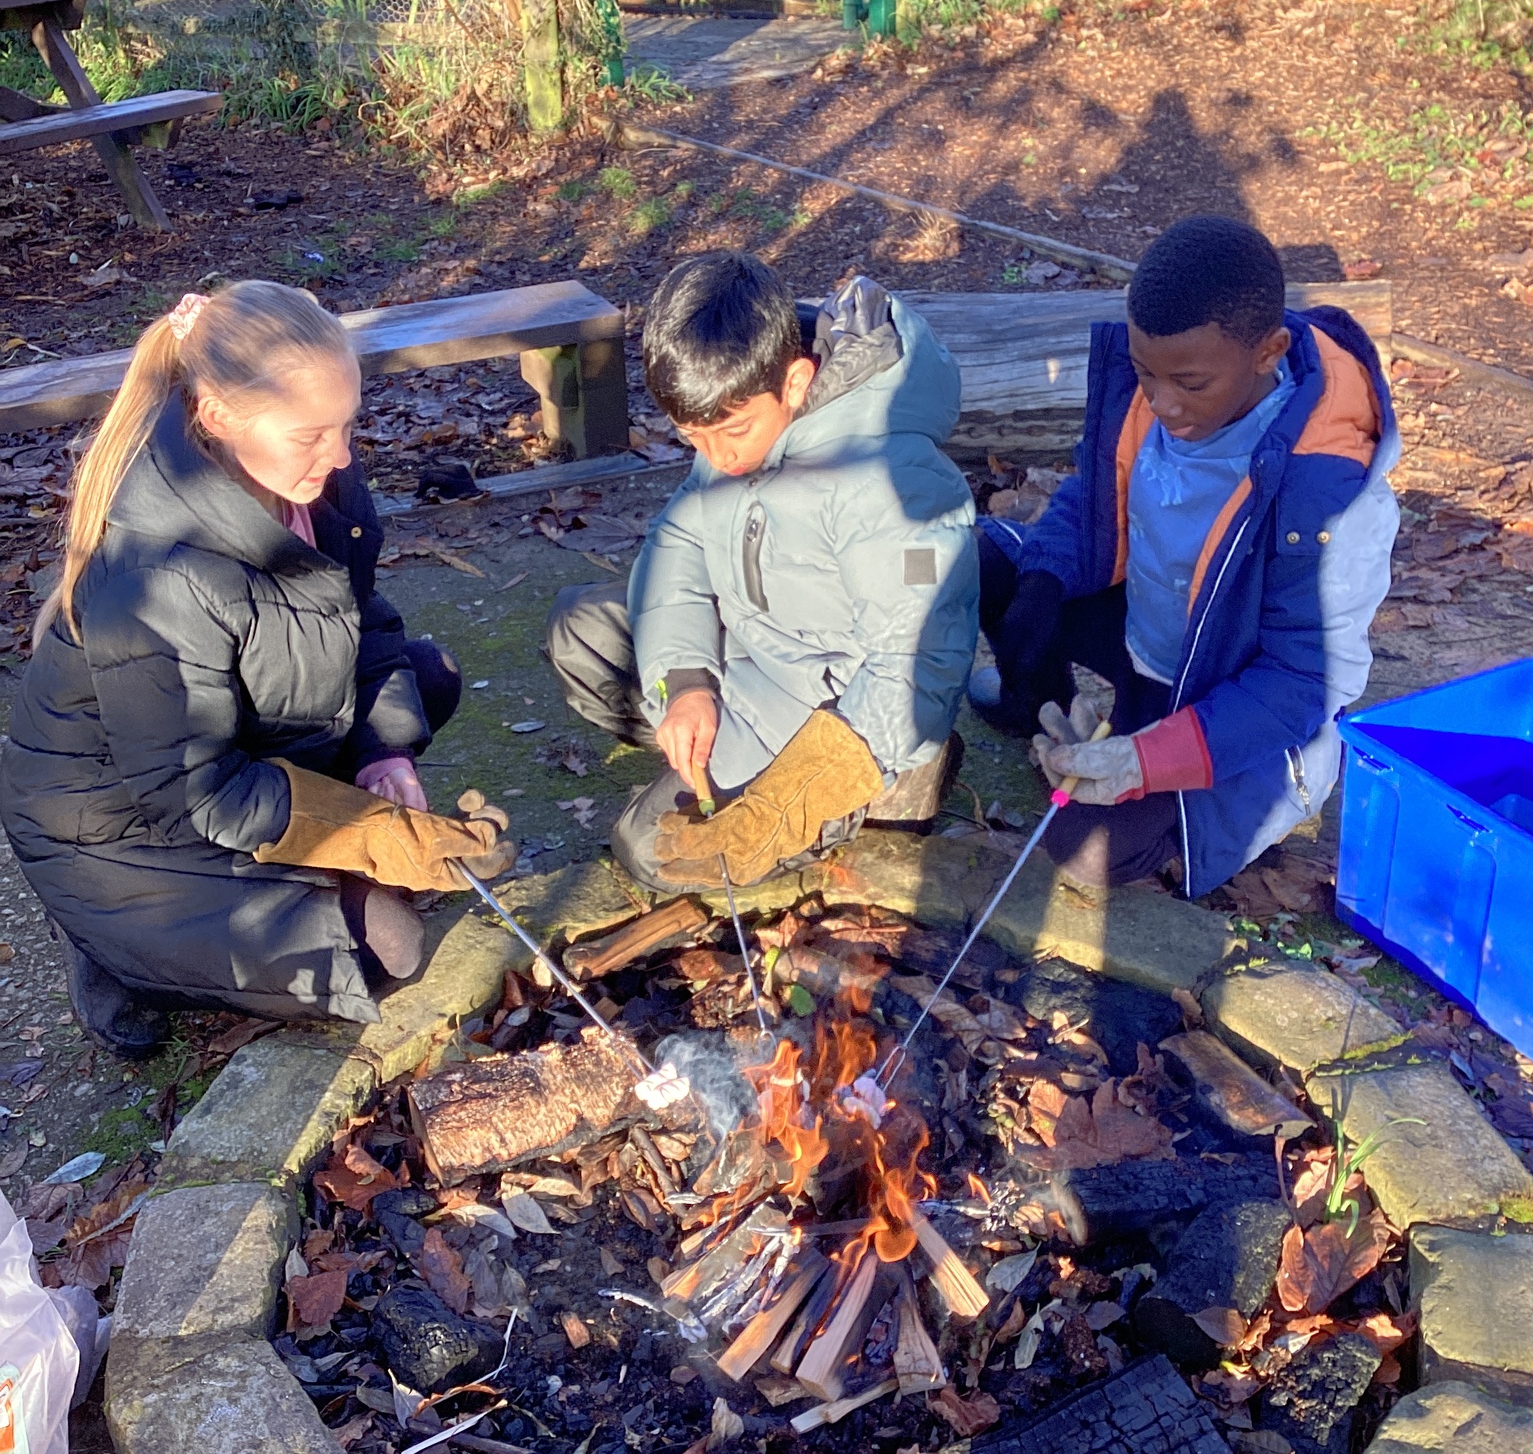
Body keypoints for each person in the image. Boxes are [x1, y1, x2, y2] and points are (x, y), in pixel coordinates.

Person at [1, 282, 514, 1056]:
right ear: (218, 417)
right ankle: (107, 944)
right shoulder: (157, 577)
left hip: (235, 750)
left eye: (347, 425)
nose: (339, 456)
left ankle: (273, 884)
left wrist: (384, 755)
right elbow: (193, 792)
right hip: (122, 829)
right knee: (393, 947)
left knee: (425, 677)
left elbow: (365, 623)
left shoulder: (315, 482)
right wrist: (365, 832)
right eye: (311, 434)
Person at [971, 214, 1399, 896]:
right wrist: (1044, 581)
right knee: (987, 567)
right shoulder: (1164, 384)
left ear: (1269, 352)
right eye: (1145, 374)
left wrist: (1147, 760)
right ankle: (1046, 716)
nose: (1162, 402)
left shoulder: (1328, 490)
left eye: (1189, 384)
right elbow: (1096, 493)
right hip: (1143, 633)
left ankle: (1193, 808)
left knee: (1087, 850)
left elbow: (1303, 682)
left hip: (1221, 692)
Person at [547, 253, 979, 890]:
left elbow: (918, 662)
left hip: (828, 713)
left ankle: (867, 790)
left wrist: (792, 801)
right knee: (579, 631)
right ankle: (723, 753)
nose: (717, 458)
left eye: (732, 433)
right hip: (747, 655)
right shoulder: (738, 405)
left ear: (797, 382)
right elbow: (679, 542)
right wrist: (686, 681)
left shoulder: (888, 480)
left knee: (649, 848)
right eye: (692, 438)